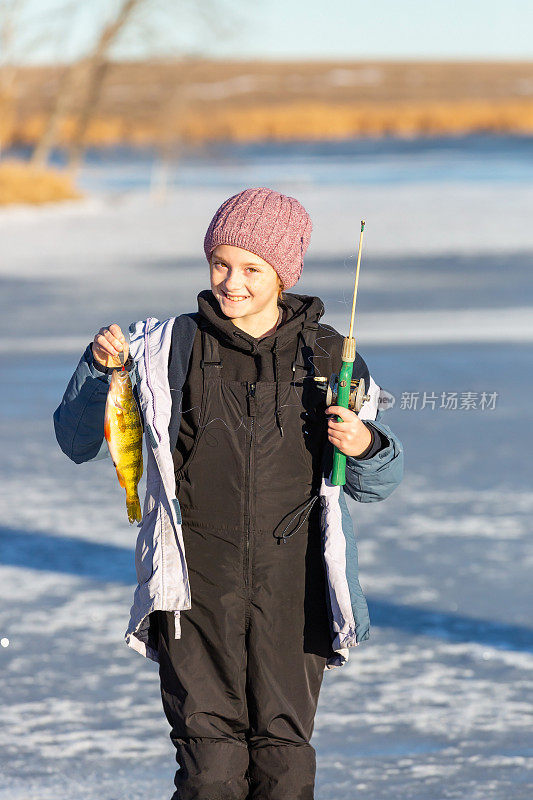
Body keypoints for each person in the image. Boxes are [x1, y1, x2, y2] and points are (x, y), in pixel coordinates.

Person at [53, 187, 404, 800]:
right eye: (221, 263)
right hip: (195, 586)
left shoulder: (330, 356)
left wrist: (365, 445)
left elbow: (380, 482)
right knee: (210, 769)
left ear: (283, 273)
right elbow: (77, 440)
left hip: (294, 590)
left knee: (284, 762)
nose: (231, 282)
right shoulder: (166, 349)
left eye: (251, 269)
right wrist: (97, 367)